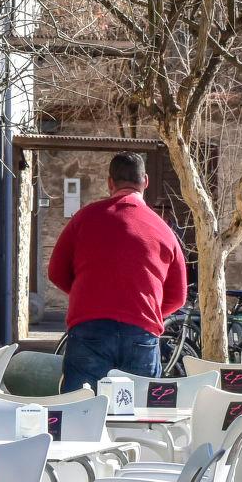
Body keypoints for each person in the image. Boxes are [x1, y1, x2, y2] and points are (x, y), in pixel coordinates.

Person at [48, 151, 190, 393]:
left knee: (81, 408)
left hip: (89, 326)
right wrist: (145, 307)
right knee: (138, 412)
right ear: (145, 181)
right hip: (141, 331)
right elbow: (178, 296)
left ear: (110, 183)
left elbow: (56, 272)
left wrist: (91, 295)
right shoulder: (163, 230)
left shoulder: (84, 219)